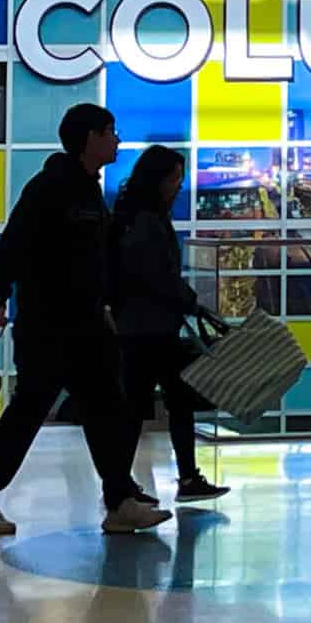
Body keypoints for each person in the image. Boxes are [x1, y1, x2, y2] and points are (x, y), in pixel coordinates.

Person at [0, 103, 171, 537]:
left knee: (106, 407)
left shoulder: (88, 189)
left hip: (84, 323)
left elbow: (96, 260)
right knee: (32, 409)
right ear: (89, 138)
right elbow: (14, 241)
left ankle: (119, 499)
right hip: (50, 325)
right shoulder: (51, 187)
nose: (117, 140)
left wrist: (107, 304)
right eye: (110, 132)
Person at [109, 145, 231, 504]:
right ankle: (134, 483)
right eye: (175, 178)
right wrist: (188, 300)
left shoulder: (132, 215)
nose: (179, 185)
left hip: (140, 325)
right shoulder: (148, 220)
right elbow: (156, 274)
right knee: (162, 404)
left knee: (150, 405)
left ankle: (126, 482)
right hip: (152, 328)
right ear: (158, 179)